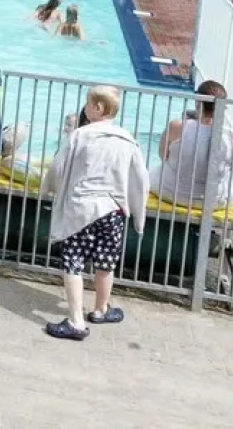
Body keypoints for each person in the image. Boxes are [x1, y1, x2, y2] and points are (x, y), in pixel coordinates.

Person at [43, 84, 149, 341]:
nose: (85, 108)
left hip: (82, 208)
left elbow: (58, 168)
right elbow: (140, 180)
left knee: (73, 262)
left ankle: (76, 321)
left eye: (88, 104)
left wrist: (49, 188)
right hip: (113, 210)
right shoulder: (128, 140)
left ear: (98, 108)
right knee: (105, 263)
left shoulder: (80, 136)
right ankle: (101, 309)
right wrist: (138, 214)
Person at [150, 80, 233, 208]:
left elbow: (162, 155)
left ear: (198, 101)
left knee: (152, 170)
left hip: (170, 192)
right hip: (215, 201)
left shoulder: (177, 127)